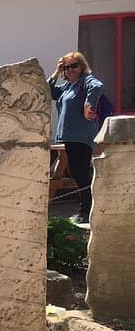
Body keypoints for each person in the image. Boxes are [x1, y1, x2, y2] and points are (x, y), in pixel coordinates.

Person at [48, 51, 102, 224]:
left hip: (81, 136)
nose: (70, 70)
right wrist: (57, 72)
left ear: (81, 66)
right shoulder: (68, 86)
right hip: (70, 136)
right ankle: (87, 207)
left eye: (74, 66)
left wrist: (89, 104)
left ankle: (86, 210)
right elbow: (49, 90)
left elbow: (98, 86)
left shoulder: (85, 81)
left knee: (81, 174)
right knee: (78, 174)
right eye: (67, 67)